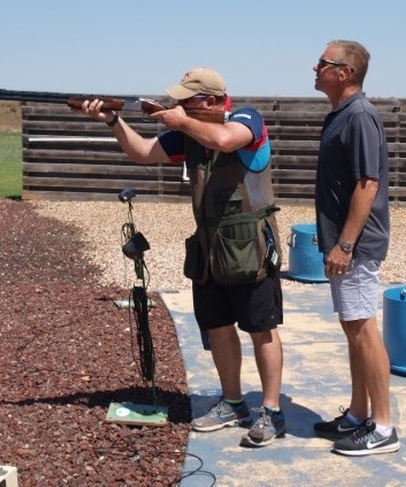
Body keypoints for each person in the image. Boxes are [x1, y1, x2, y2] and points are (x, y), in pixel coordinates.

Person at [80, 67, 285, 448]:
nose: (178, 105)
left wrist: (180, 120)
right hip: (209, 251)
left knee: (261, 329)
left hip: (250, 248)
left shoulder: (246, 119)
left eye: (186, 100)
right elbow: (141, 152)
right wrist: (112, 119)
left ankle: (271, 411)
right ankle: (233, 402)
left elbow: (225, 140)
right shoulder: (188, 132)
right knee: (220, 328)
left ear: (210, 101)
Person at [310, 40, 399, 456]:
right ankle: (359, 413)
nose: (315, 67)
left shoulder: (360, 116)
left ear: (344, 72)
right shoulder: (341, 114)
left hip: (357, 247)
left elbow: (368, 183)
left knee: (364, 329)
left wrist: (345, 243)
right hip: (344, 244)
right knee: (353, 328)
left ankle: (382, 427)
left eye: (323, 63)